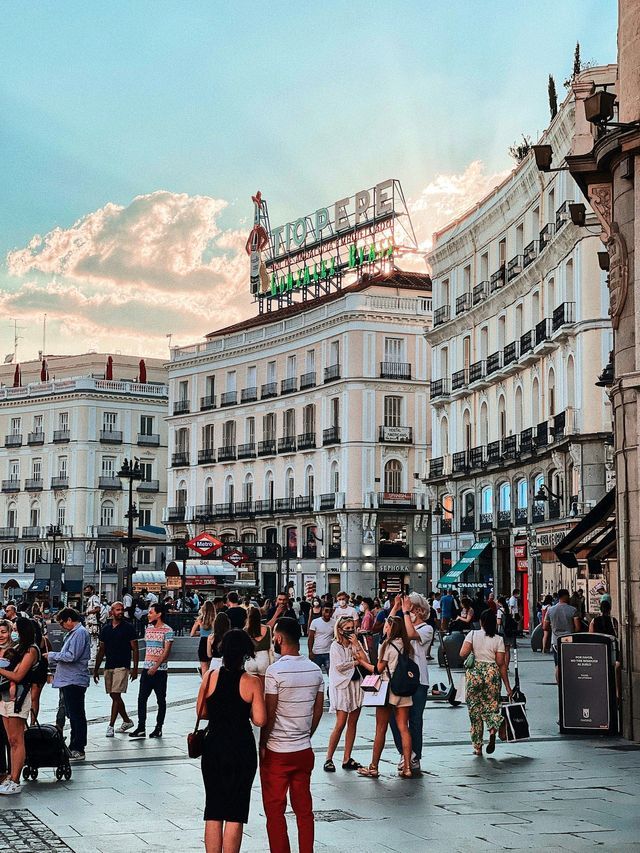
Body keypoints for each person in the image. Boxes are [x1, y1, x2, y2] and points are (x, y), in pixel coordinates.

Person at [198, 630, 266, 853]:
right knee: (236, 811)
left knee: (214, 808)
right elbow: (260, 719)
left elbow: (201, 711)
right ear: (246, 654)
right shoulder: (251, 681)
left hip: (213, 746)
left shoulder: (210, 676)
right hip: (241, 749)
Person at [260, 617, 324, 853]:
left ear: (278, 638)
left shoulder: (275, 671)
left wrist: (263, 743)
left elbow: (270, 712)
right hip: (303, 749)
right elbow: (317, 711)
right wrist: (306, 734)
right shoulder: (315, 670)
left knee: (275, 811)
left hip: (278, 750)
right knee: (304, 809)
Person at [357, 614, 414, 779]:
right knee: (404, 727)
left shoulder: (387, 646)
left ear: (391, 628)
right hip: (403, 688)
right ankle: (408, 767)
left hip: (388, 689)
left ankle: (373, 766)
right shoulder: (406, 645)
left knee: (380, 728)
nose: (385, 628)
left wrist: (361, 661)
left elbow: (377, 670)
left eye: (387, 626)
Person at [389, 593, 433, 776]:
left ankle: (415, 756)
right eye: (410, 608)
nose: (410, 612)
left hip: (418, 679)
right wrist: (395, 608)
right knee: (395, 719)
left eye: (414, 608)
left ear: (421, 611)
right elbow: (388, 630)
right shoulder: (404, 620)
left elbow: (411, 634)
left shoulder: (427, 628)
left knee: (415, 719)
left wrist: (405, 613)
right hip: (399, 678)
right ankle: (404, 752)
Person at [460, 609, 512, 756]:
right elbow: (501, 663)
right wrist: (508, 687)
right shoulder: (498, 639)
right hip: (491, 675)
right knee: (492, 707)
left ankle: (477, 747)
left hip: (474, 675)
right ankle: (492, 730)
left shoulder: (472, 634)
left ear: (481, 622)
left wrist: (472, 651)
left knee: (475, 711)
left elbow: (462, 654)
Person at [0, 618, 40, 795]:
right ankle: (11, 776)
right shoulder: (18, 648)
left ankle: (15, 780)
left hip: (19, 698)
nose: (13, 632)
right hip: (5, 697)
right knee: (11, 740)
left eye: (15, 629)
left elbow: (18, 675)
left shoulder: (31, 650)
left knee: (17, 740)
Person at [45, 608, 90, 761]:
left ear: (70, 619)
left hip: (74, 679)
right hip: (68, 679)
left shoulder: (79, 633)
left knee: (77, 714)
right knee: (72, 714)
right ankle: (74, 745)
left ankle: (78, 747)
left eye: (62, 623)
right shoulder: (74, 633)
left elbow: (72, 656)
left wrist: (52, 656)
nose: (62, 626)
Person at [323, 616, 365, 773]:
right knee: (340, 723)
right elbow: (339, 666)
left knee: (353, 723)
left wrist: (356, 646)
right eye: (347, 628)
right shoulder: (336, 646)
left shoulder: (356, 643)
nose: (350, 631)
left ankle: (347, 757)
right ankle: (329, 758)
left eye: (352, 628)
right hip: (342, 686)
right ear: (340, 630)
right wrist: (356, 662)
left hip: (356, 685)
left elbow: (366, 659)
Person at [129, 602, 174, 739]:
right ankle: (141, 727)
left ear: (159, 614)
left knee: (161, 700)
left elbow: (166, 652)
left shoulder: (168, 630)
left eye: (151, 612)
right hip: (146, 668)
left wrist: (155, 667)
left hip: (159, 671)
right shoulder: (148, 629)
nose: (148, 615)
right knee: (141, 699)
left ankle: (158, 727)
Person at [93, 602, 138, 736]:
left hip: (122, 665)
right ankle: (126, 720)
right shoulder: (106, 629)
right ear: (111, 612)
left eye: (122, 610)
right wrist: (96, 669)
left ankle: (111, 725)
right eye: (118, 610)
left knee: (116, 694)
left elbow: (135, 649)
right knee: (113, 695)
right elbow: (102, 649)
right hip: (109, 665)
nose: (120, 612)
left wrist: (135, 668)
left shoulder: (128, 628)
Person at [543, 589, 582, 682]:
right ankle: (568, 683)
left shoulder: (550, 610)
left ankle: (559, 685)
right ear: (565, 596)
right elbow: (578, 627)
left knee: (558, 665)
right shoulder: (573, 610)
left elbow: (545, 626)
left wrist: (554, 629)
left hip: (556, 641)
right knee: (569, 663)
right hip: (569, 640)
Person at [244, 606, 272, 682]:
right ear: (260, 616)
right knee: (263, 686)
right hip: (264, 658)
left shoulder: (245, 630)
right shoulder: (268, 628)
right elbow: (270, 646)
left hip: (250, 658)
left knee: (252, 685)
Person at [191, 601, 216, 677]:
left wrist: (201, 632)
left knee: (204, 667)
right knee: (212, 667)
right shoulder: (215, 619)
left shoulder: (200, 620)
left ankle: (205, 685)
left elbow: (192, 634)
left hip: (203, 642)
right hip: (213, 642)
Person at [307, 604, 334, 673]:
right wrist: (310, 651)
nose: (328, 613)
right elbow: (310, 638)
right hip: (316, 653)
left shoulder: (334, 622)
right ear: (322, 611)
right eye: (326, 611)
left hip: (329, 653)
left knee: (330, 673)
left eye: (330, 611)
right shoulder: (315, 622)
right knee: (314, 673)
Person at [84, 584, 103, 666]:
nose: (86, 591)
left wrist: (87, 612)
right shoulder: (90, 598)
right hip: (90, 622)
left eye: (87, 590)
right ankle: (92, 657)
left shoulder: (94, 598)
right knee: (91, 640)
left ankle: (93, 658)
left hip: (93, 622)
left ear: (92, 590)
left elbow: (97, 608)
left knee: (93, 640)